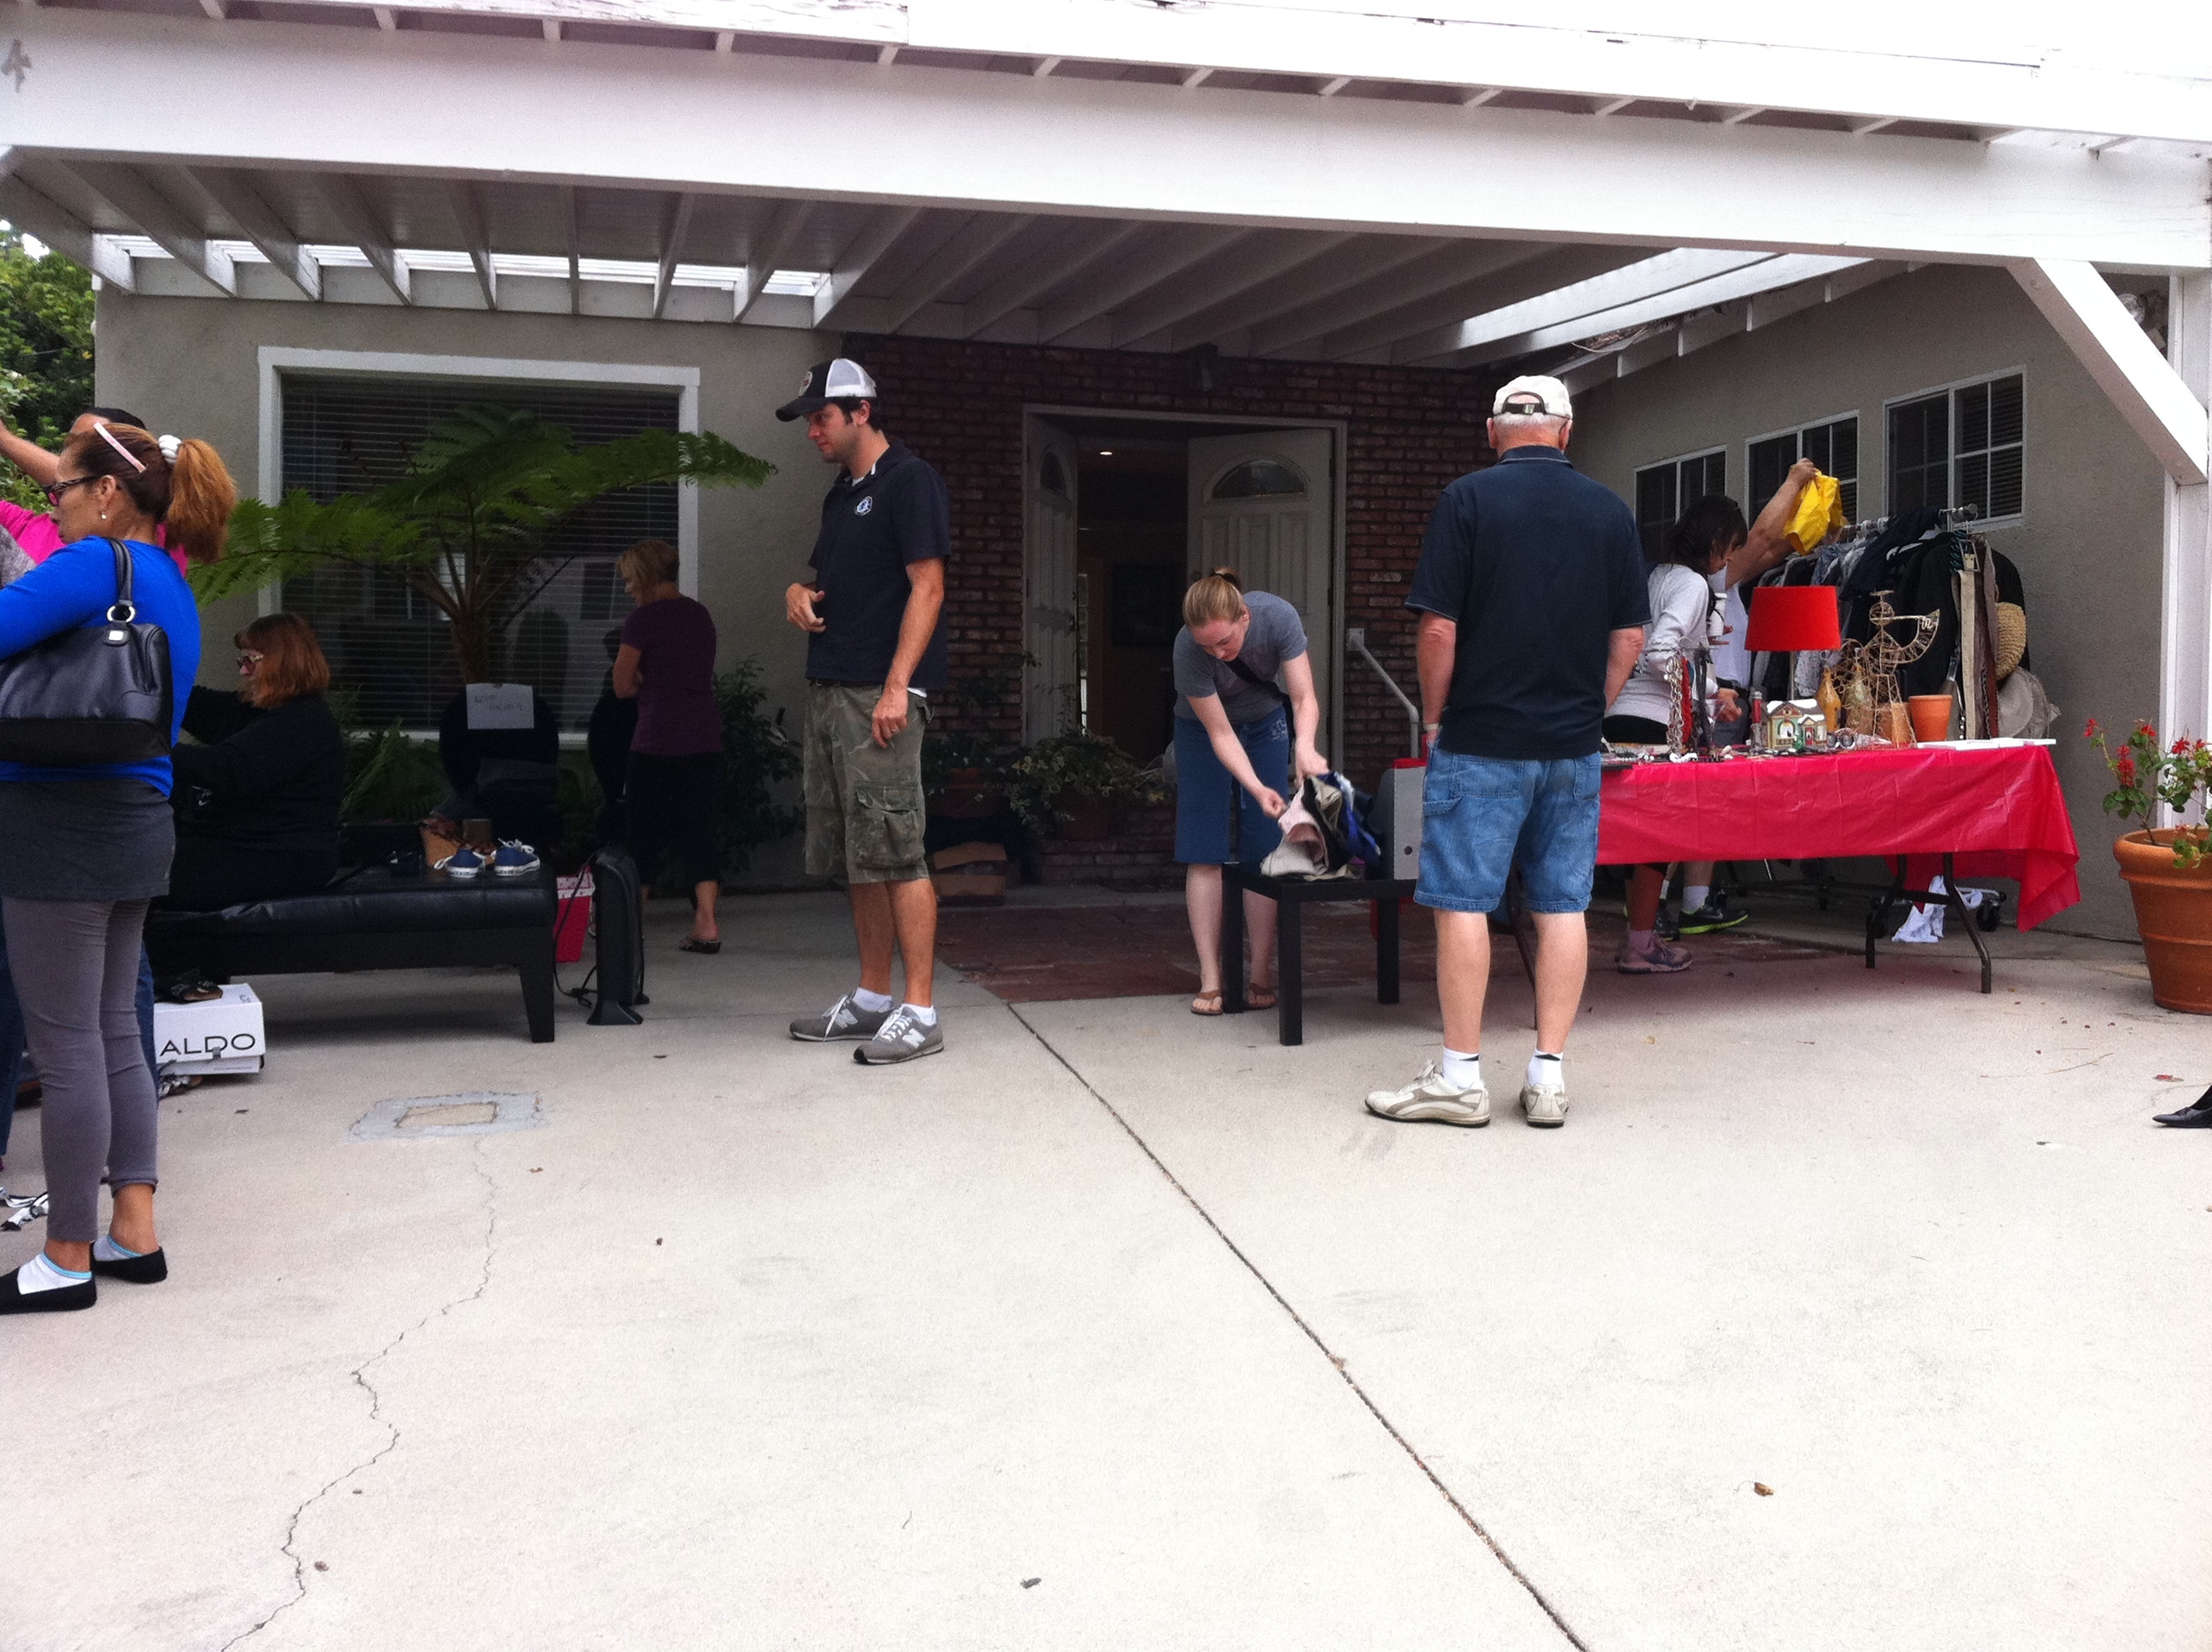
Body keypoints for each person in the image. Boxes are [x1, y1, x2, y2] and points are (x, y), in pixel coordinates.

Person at [1364, 375, 1647, 1131]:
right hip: (1571, 746)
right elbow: (1630, 636)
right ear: (1567, 431)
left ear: (1492, 432)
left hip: (1481, 740)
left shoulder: (1466, 500)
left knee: (1462, 902)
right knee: (1563, 904)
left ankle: (1460, 1079)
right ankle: (1548, 1077)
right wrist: (1589, 711)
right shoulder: (1610, 511)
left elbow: (1438, 628)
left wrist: (1433, 721)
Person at [0, 420, 235, 1313]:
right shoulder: (167, 577)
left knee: (65, 1047)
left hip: (59, 826)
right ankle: (133, 1229)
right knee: (111, 1036)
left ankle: (64, 1256)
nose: (53, 505)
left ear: (107, 493)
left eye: (61, 488)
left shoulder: (94, 564)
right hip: (138, 824)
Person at [777, 358, 950, 1066]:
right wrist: (798, 592)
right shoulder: (843, 494)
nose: (812, 430)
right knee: (862, 853)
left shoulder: (910, 481)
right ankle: (873, 997)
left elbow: (928, 587)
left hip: (879, 698)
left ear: (861, 412)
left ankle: (920, 1010)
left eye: (821, 417)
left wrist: (897, 687)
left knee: (898, 849)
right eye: (809, 419)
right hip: (832, 689)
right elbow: (831, 581)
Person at [1608, 463, 1822, 954]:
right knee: (1660, 837)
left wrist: (1708, 690)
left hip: (1623, 713)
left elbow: (1647, 646)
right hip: (1656, 722)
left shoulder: (1658, 576)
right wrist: (1706, 690)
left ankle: (1643, 934)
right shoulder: (1692, 584)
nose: (1729, 560)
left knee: (1641, 838)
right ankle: (1643, 943)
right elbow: (1660, 651)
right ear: (1715, 544)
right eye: (1728, 550)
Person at [1171, 569, 1329, 1015]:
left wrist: (1305, 746)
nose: (1217, 654)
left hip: (1264, 722)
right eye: (1207, 647)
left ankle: (1260, 972)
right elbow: (1220, 734)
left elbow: (1303, 698)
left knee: (1264, 845)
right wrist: (1257, 787)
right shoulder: (1187, 648)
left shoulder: (1278, 617)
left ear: (1244, 616)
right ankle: (1211, 977)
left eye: (1224, 642)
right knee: (1204, 844)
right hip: (1201, 729)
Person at [160, 613, 344, 912]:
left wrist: (148, 747)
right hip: (235, 845)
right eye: (241, 661)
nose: (244, 671)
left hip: (279, 853)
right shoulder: (247, 709)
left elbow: (227, 768)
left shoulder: (304, 721)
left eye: (251, 661)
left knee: (142, 872)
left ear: (283, 663)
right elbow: (183, 701)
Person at [612, 537, 725, 953]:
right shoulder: (699, 614)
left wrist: (644, 679)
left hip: (656, 740)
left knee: (642, 833)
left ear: (644, 576)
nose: (628, 589)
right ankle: (707, 924)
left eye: (629, 580)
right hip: (704, 738)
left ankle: (629, 928)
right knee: (698, 830)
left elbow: (621, 685)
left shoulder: (642, 620)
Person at [0, 405, 189, 575]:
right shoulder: (26, 523)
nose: (73, 456)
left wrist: (5, 439)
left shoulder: (151, 533)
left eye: (90, 449)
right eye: (70, 446)